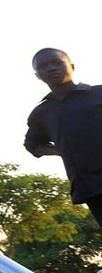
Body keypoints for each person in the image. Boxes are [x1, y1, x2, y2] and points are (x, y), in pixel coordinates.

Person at [24, 48, 102, 228]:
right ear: (38, 75)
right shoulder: (41, 113)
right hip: (91, 186)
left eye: (57, 62)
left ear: (71, 66)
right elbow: (32, 144)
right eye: (43, 66)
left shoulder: (98, 94)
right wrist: (60, 149)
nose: (51, 68)